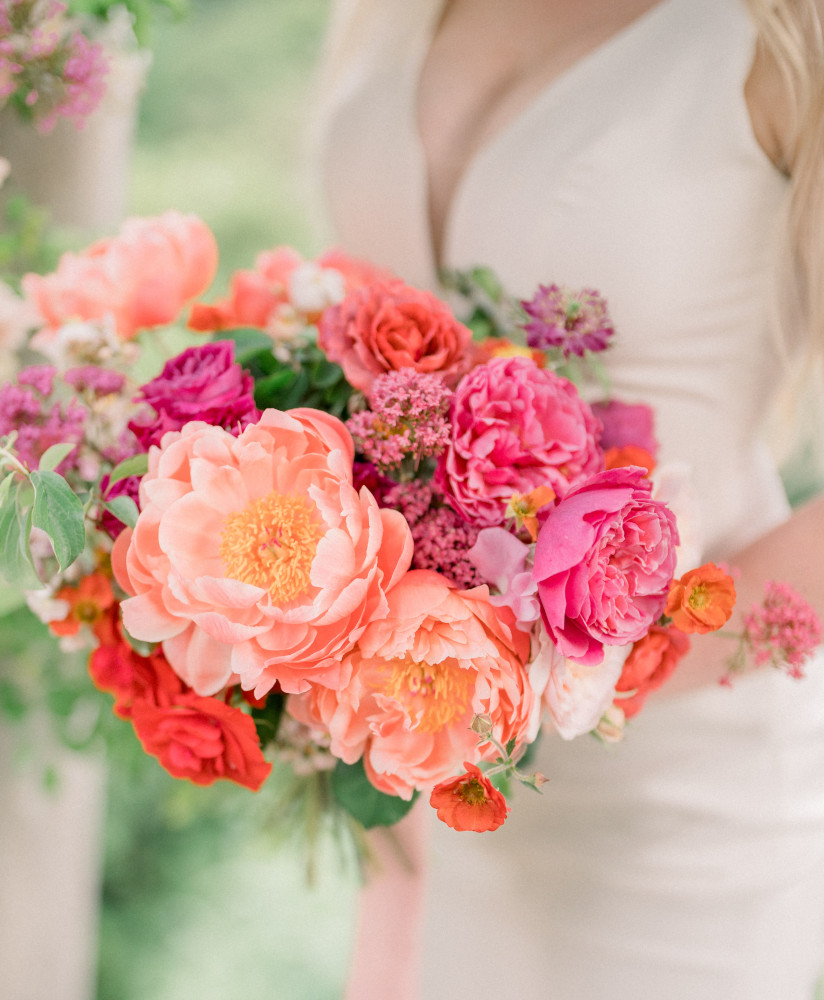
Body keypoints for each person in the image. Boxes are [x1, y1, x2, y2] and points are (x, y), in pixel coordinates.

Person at [313, 0, 824, 996]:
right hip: (431, 778)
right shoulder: (385, 17)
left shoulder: (778, 36)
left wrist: (601, 676)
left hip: (677, 805)